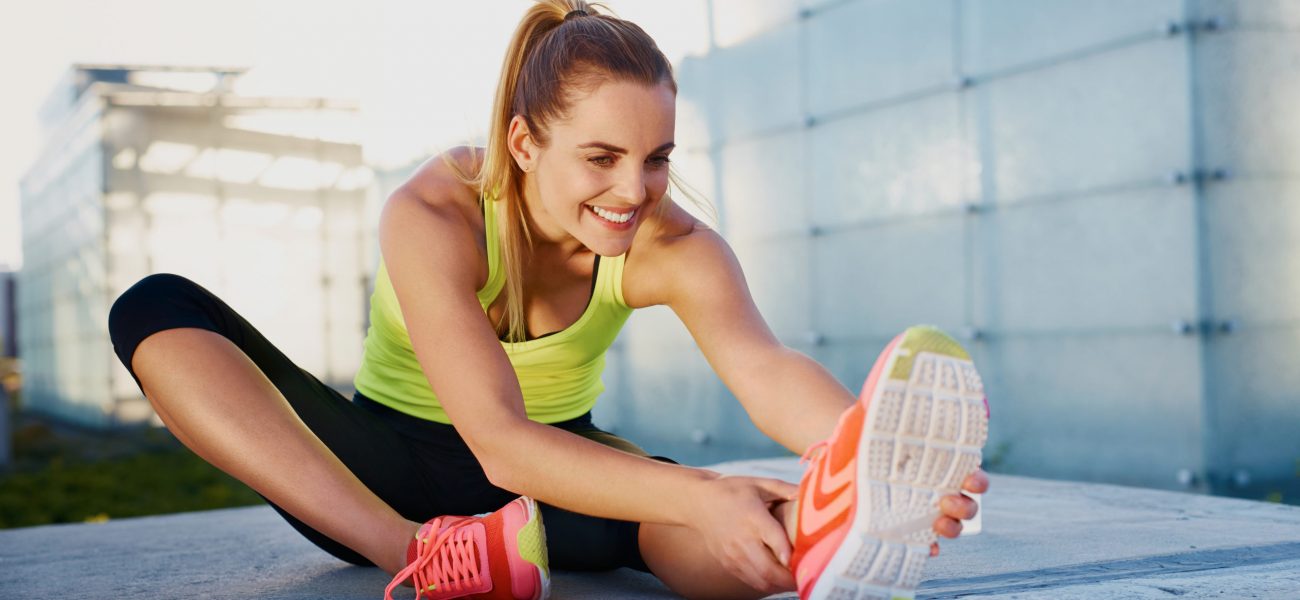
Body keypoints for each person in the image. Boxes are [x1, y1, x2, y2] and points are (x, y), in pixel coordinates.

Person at [106, 2, 990, 599]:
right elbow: (497, 445)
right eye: (601, 158)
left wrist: (869, 456)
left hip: (565, 472)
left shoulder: (672, 245)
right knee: (152, 306)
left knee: (724, 524)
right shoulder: (435, 212)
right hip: (382, 471)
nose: (634, 189)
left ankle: (823, 529)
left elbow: (764, 370)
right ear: (524, 143)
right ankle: (417, 557)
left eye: (656, 157)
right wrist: (692, 494)